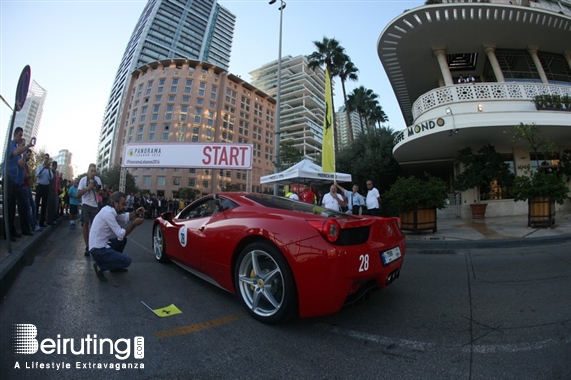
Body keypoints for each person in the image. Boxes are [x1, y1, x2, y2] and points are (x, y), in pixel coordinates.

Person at [89, 191, 146, 282]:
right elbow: (120, 233)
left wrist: (136, 212)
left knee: (123, 240)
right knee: (126, 261)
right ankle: (100, 267)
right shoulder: (108, 213)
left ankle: (114, 267)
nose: (124, 207)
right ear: (115, 203)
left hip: (102, 245)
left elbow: (124, 217)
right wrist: (134, 225)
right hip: (97, 250)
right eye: (123, 204)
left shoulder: (110, 210)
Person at [4, 127, 35, 241]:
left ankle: (16, 230)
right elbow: (16, 153)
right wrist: (27, 147)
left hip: (15, 182)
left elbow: (21, 163)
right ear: (15, 135)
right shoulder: (11, 145)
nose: (21, 137)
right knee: (10, 207)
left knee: (18, 206)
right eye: (20, 135)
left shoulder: (17, 150)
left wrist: (25, 150)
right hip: (9, 179)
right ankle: (8, 233)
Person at [77, 163, 103, 255]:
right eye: (91, 171)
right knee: (85, 224)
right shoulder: (83, 180)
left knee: (94, 227)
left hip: (95, 205)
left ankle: (93, 245)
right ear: (88, 171)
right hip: (85, 204)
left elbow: (101, 193)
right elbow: (78, 194)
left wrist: (97, 189)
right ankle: (87, 246)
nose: (93, 173)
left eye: (94, 171)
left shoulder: (98, 180)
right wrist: (88, 188)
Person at [21, 149, 42, 232]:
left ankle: (34, 224)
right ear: (24, 154)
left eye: (30, 155)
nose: (29, 157)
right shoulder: (22, 163)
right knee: (28, 207)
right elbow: (24, 176)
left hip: (27, 187)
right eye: (28, 155)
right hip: (24, 187)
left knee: (33, 206)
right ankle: (33, 225)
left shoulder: (26, 165)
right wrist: (29, 176)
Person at [35, 153, 52, 227]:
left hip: (46, 187)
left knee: (44, 205)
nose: (46, 160)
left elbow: (51, 178)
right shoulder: (39, 166)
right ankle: (34, 221)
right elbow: (37, 175)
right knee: (36, 204)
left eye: (47, 159)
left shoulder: (49, 169)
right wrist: (43, 168)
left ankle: (42, 222)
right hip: (40, 186)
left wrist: (48, 169)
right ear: (43, 159)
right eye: (45, 158)